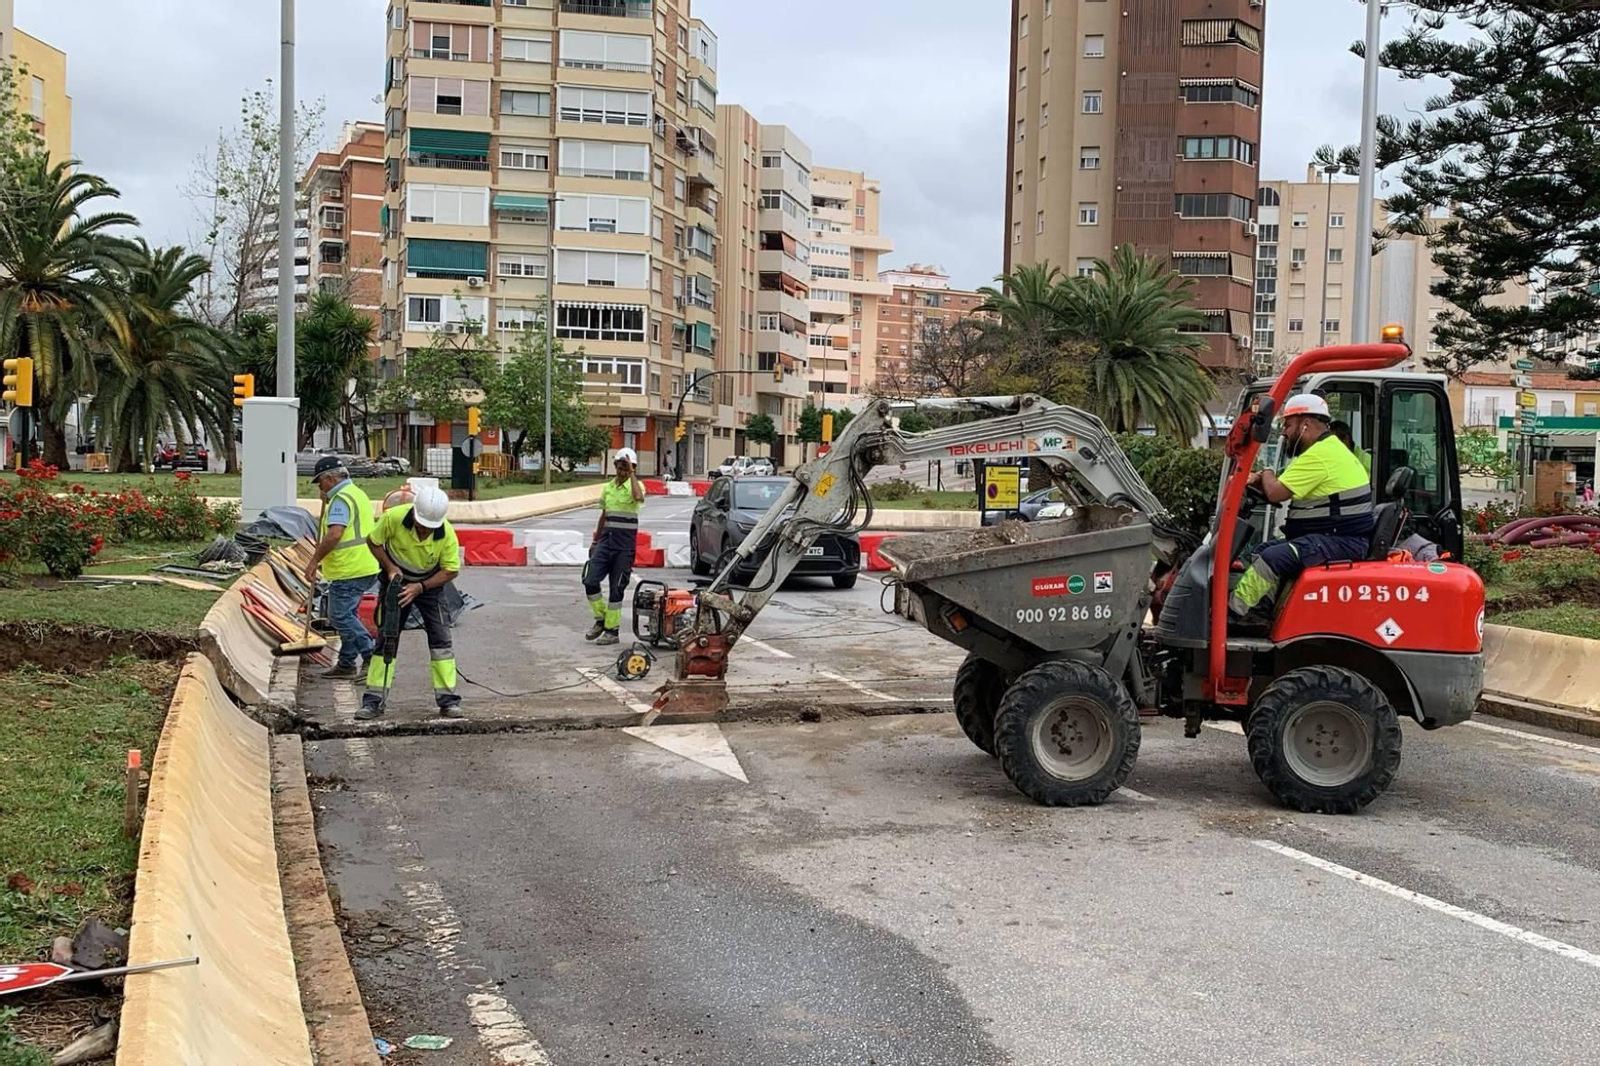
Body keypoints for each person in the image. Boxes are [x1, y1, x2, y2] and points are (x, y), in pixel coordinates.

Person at [1230, 394, 1376, 619]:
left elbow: (1276, 491)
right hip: (1334, 537)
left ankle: (1232, 614)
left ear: (1305, 424)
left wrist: (1265, 473)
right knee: (1260, 551)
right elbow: (1280, 487)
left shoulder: (1320, 456)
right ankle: (1260, 613)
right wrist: (1257, 480)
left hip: (1340, 541)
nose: (1284, 433)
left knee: (1272, 558)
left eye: (1287, 425)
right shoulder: (1326, 451)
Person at [356, 485, 464, 720]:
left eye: (429, 528)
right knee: (387, 640)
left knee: (441, 641)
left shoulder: (445, 534)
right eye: (421, 525)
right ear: (415, 514)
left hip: (430, 586)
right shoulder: (393, 518)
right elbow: (373, 542)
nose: (424, 531)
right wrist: (391, 568)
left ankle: (448, 700)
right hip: (396, 583)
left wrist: (420, 587)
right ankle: (374, 700)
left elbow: (450, 571)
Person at [302, 456, 380, 680]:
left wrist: (314, 559)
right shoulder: (355, 493)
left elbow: (335, 533)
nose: (320, 486)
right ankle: (346, 663)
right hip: (365, 564)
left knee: (339, 617)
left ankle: (370, 654)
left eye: (320, 482)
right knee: (349, 614)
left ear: (331, 478)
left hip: (350, 567)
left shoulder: (341, 499)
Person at [584, 447, 646, 646]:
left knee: (616, 589)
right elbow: (604, 515)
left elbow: (638, 497)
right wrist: (595, 541)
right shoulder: (608, 487)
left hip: (624, 547)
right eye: (619, 468)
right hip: (605, 543)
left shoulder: (637, 486)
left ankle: (612, 631)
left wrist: (632, 474)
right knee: (590, 580)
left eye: (626, 468)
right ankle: (601, 620)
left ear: (632, 468)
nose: (622, 472)